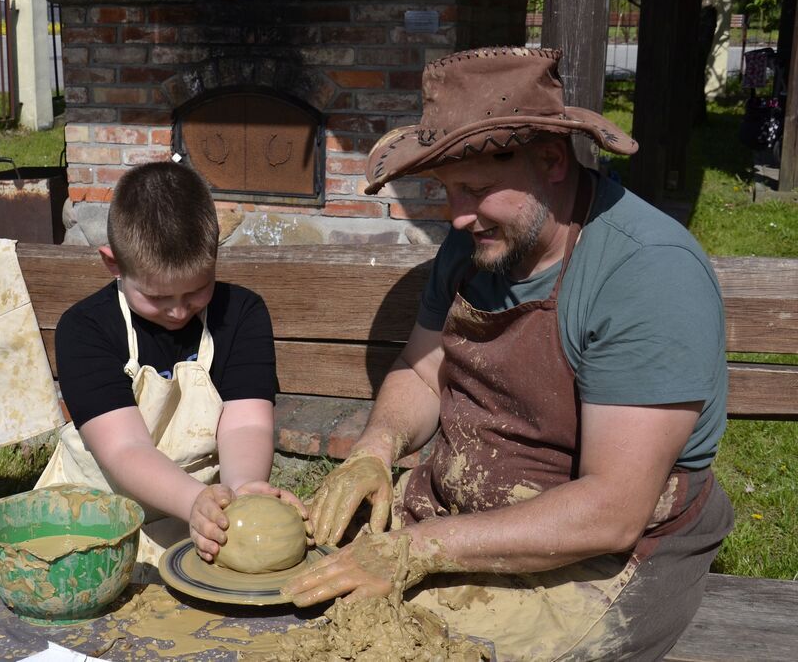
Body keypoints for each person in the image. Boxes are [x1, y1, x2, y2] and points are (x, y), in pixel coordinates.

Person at [282, 47, 734, 661]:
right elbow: (421, 370)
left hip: (597, 555)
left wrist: (417, 550)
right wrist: (374, 449)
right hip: (458, 510)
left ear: (550, 159)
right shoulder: (479, 244)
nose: (457, 215)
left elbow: (612, 510)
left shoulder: (647, 274)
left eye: (475, 189)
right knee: (291, 603)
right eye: (447, 190)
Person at [35, 161, 302, 577]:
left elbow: (245, 425)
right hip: (92, 516)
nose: (178, 310)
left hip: (199, 514)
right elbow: (125, 449)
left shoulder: (241, 314)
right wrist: (195, 501)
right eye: (157, 297)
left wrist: (242, 492)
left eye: (197, 291)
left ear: (215, 256)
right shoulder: (84, 329)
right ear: (113, 264)